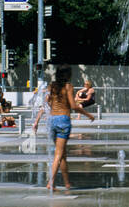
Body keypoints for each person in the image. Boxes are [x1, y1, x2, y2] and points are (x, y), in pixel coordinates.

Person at [33, 64, 94, 192]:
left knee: (62, 155)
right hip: (63, 121)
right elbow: (73, 106)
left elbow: (47, 102)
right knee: (59, 154)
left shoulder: (52, 86)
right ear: (67, 75)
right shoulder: (68, 87)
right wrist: (88, 115)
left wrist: (39, 120)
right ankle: (51, 182)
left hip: (52, 120)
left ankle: (67, 183)